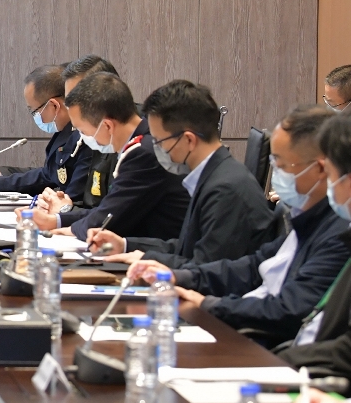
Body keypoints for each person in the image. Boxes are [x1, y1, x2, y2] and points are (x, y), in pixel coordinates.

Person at [126, 106, 347, 347]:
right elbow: (253, 267)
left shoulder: (337, 232)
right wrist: (181, 277)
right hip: (254, 327)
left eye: (282, 165)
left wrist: (208, 304)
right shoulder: (307, 218)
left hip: (272, 345)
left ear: (321, 169)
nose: (276, 174)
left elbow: (289, 310)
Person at [88, 80, 277, 267]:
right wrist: (125, 246)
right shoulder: (213, 176)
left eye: (159, 141)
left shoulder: (225, 189)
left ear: (188, 140)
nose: (157, 148)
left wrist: (147, 259)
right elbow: (188, 247)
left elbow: (206, 269)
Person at [38, 72, 190, 241]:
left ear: (107, 126)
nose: (82, 137)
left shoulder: (143, 152)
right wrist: (57, 220)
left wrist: (64, 226)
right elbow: (109, 208)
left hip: (161, 251)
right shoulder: (143, 142)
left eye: (82, 130)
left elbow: (108, 219)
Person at [278, 112, 351, 376]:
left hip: (320, 377)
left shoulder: (337, 231)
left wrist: (282, 361)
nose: (328, 184)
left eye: (329, 174)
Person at [0, 64, 92, 202]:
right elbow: (47, 174)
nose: (35, 116)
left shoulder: (86, 138)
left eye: (34, 111)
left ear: (54, 105)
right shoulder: (64, 134)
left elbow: (74, 199)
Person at [32, 55, 121, 224]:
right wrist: (60, 205)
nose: (69, 110)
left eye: (74, 102)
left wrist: (65, 212)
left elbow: (115, 218)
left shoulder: (139, 144)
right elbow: (93, 204)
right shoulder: (96, 136)